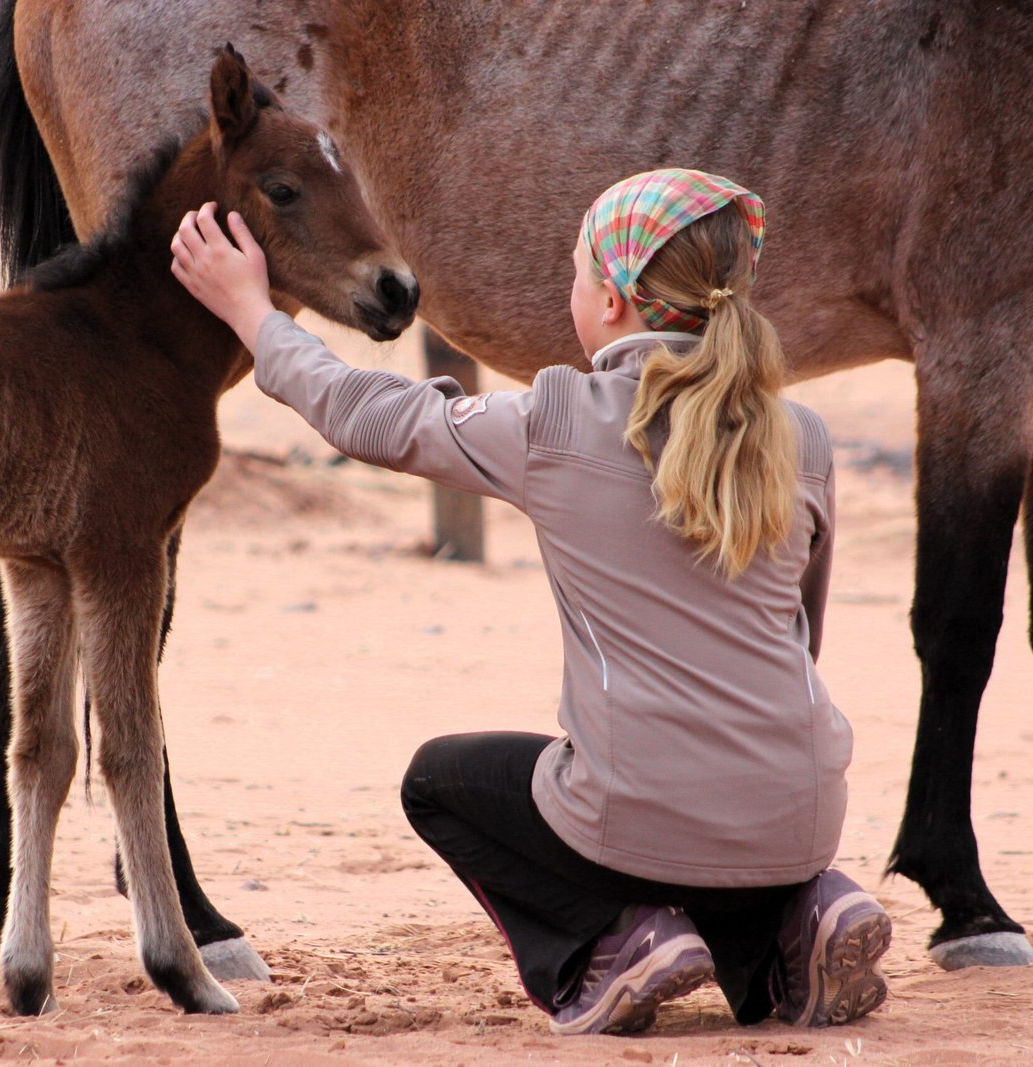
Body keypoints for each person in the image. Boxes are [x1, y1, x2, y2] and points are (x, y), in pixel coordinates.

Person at [168, 168, 892, 1036]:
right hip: (803, 810)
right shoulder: (803, 440)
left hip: (643, 812)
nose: (573, 294)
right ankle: (797, 921)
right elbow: (798, 638)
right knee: (698, 818)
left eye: (579, 276)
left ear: (617, 300)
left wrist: (254, 313)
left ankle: (613, 944)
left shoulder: (556, 419)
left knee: (442, 780)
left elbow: (367, 411)